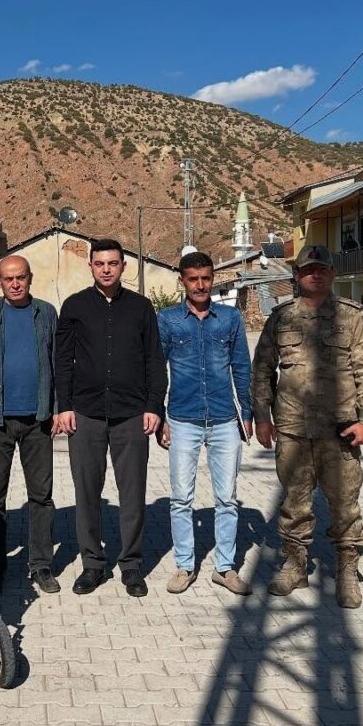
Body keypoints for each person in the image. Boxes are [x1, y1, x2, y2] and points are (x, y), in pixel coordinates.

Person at [251, 244, 363, 608]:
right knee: (294, 505)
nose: (316, 274)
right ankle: (295, 565)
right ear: (297, 275)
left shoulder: (353, 317)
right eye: (309, 269)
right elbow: (262, 369)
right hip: (292, 429)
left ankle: (346, 572)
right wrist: (262, 417)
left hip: (340, 431)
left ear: (332, 274)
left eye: (322, 269)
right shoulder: (281, 318)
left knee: (345, 506)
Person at [54, 238, 167, 598]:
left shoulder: (141, 307)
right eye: (100, 263)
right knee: (86, 491)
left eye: (113, 263)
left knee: (132, 492)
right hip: (85, 413)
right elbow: (62, 360)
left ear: (123, 266)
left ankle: (132, 565)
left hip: (131, 414)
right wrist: (64, 405)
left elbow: (154, 360)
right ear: (90, 265)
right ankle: (93, 565)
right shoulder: (74, 306)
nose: (106, 269)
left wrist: (154, 407)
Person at [156, 251, 253, 596]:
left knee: (227, 498)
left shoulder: (229, 318)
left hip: (226, 420)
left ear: (213, 280)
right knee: (181, 498)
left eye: (206, 278)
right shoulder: (168, 320)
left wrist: (248, 413)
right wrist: (159, 416)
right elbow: (156, 371)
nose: (200, 285)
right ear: (182, 281)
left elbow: (242, 367)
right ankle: (185, 565)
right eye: (193, 279)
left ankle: (224, 568)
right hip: (183, 420)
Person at [0, 255, 59, 594]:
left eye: (20, 277)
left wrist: (57, 409)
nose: (15, 284)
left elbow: (58, 361)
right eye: (8, 278)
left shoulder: (46, 313)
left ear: (30, 277)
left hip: (37, 419)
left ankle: (40, 565)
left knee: (41, 496)